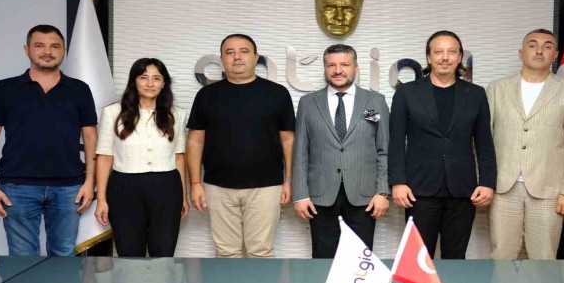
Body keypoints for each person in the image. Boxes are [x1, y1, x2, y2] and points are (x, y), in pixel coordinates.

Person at [0, 24, 97, 256]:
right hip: (17, 186)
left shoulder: (79, 90)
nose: (47, 51)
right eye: (39, 45)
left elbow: (91, 138)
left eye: (55, 46)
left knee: (64, 256)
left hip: (69, 187)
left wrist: (90, 182)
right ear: (27, 49)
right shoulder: (5, 88)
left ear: (64, 50)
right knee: (22, 259)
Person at [389, 30, 496, 259]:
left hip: (463, 191)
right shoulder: (407, 93)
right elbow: (396, 141)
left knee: (456, 259)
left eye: (451, 52)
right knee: (417, 260)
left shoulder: (476, 94)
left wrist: (487, 182)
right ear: (429, 57)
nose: (445, 57)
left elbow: (485, 143)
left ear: (460, 57)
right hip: (419, 191)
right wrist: (398, 182)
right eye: (438, 52)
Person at [187, 34, 295, 258]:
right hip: (217, 186)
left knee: (261, 251)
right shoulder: (207, 95)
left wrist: (289, 180)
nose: (237, 57)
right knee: (226, 253)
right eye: (230, 52)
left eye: (244, 51)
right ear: (222, 59)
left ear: (256, 57)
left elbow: (288, 139)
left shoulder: (277, 94)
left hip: (266, 187)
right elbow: (195, 140)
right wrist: (195, 183)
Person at [486, 28, 564, 259]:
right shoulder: (497, 88)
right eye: (532, 45)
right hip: (503, 188)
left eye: (547, 46)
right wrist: (484, 182)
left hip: (549, 191)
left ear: (555, 55)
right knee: (501, 257)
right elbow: (484, 140)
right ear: (521, 52)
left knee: (544, 259)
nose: (539, 50)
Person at [292, 44, 390, 257]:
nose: (338, 70)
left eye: (344, 64)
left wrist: (383, 191)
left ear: (356, 68)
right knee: (323, 259)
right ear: (325, 68)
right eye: (331, 65)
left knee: (360, 260)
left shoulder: (375, 101)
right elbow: (300, 152)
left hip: (364, 196)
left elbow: (384, 150)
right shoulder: (308, 103)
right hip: (320, 196)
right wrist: (299, 195)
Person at [94, 58, 188, 257]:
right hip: (124, 187)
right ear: (134, 81)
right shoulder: (113, 112)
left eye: (156, 78)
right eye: (144, 77)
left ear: (164, 83)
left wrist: (183, 196)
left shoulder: (177, 114)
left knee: (163, 252)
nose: (150, 83)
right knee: (129, 253)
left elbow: (179, 157)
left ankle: (163, 280)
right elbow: (104, 158)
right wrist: (101, 199)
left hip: (167, 187)